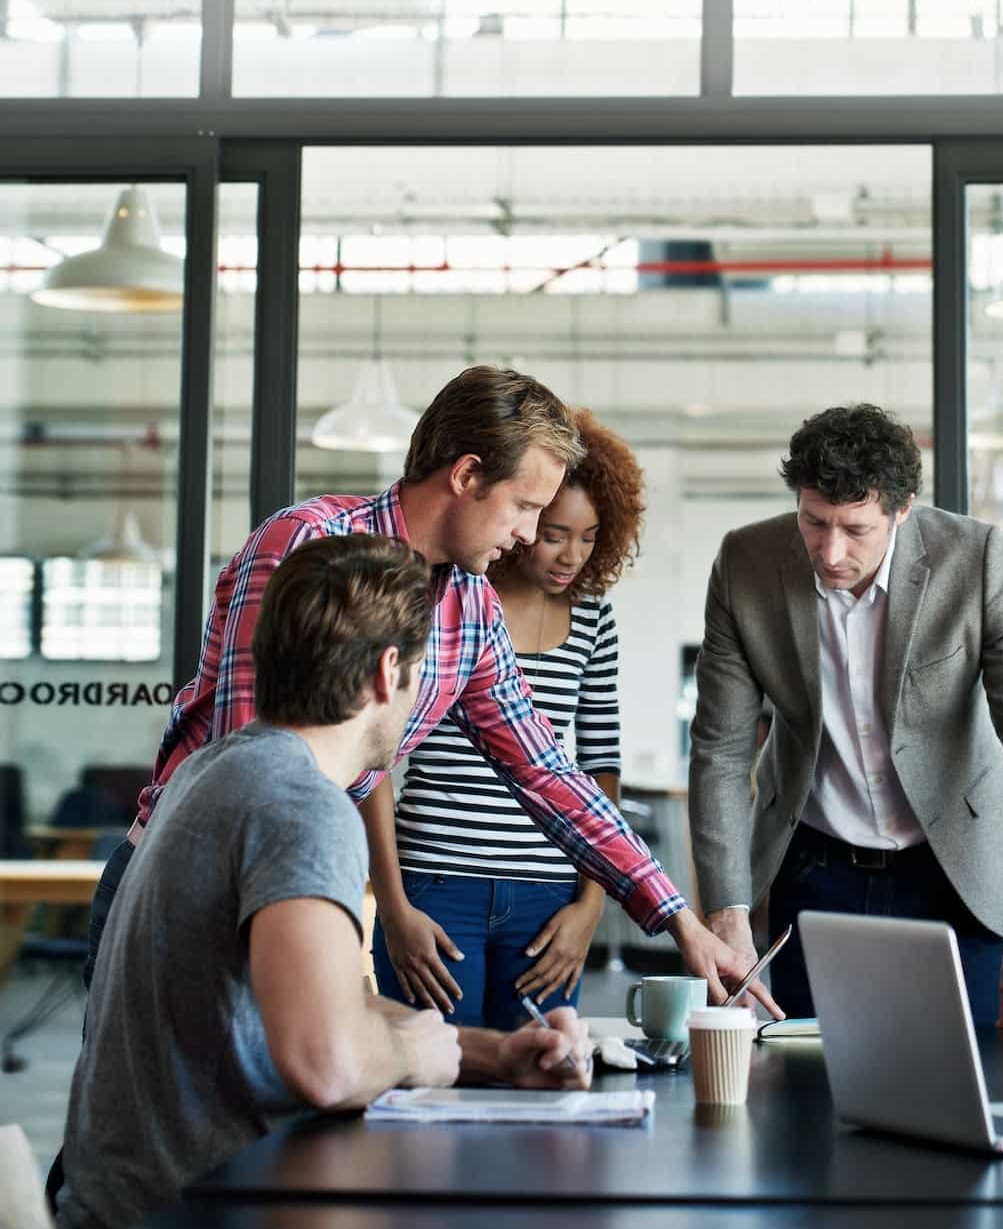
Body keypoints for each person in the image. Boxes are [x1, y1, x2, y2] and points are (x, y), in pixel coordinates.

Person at [82, 366, 763, 1009]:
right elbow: (250, 764)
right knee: (142, 1126)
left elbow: (546, 770)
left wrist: (679, 919)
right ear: (467, 475)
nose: (529, 535)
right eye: (525, 506)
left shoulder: (470, 606)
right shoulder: (307, 544)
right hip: (188, 886)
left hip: (301, 895)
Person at [54, 536, 591, 1229]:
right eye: (423, 672)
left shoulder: (218, 770)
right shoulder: (303, 807)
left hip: (134, 1221)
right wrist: (413, 1060)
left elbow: (313, 1000)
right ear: (386, 672)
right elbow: (324, 1062)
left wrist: (493, 1054)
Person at [688, 403, 1003, 1033]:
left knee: (970, 1084)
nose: (831, 550)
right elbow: (720, 751)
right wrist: (727, 911)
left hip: (955, 872)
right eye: (814, 522)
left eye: (855, 528)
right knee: (808, 1088)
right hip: (815, 869)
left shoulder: (976, 561)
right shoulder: (745, 564)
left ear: (903, 509)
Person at [372, 410, 642, 1025]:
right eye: (552, 531)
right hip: (436, 884)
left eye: (590, 536)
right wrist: (391, 905)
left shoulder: (594, 619)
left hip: (549, 900)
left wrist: (590, 908)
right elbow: (375, 758)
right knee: (430, 1086)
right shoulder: (450, 598)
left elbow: (596, 765)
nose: (571, 554)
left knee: (544, 1087)